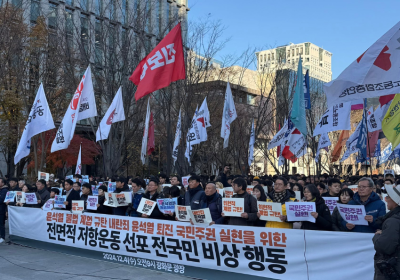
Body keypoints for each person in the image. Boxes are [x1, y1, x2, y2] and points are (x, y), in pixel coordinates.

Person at [373, 184, 400, 280]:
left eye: (388, 197)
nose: (386, 199)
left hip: (392, 270)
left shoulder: (393, 221)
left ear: (396, 202)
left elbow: (385, 247)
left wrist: (377, 236)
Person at [0, 178, 8, 243]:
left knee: (1, 224)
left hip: (1, 209)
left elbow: (1, 199)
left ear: (3, 183)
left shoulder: (4, 190)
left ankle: (2, 237)